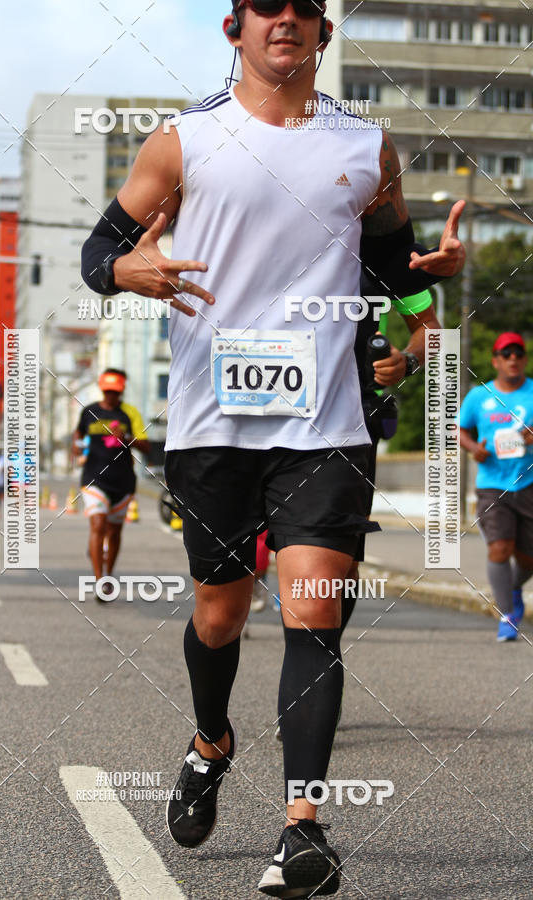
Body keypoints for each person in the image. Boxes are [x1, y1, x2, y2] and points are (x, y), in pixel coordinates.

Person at [81, 2, 464, 894]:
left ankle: (304, 831)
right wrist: (124, 270)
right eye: (266, 6)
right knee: (219, 614)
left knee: (314, 610)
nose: (285, 18)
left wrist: (419, 304)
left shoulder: (368, 148)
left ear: (323, 34)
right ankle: (212, 738)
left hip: (325, 421)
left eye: (302, 7)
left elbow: (386, 266)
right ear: (234, 30)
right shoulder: (182, 142)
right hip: (214, 422)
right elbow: (104, 247)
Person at [340, 279, 442, 634]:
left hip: (350, 418)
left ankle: (321, 649)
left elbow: (430, 327)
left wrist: (408, 360)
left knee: (341, 559)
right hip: (252, 412)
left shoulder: (384, 248)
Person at [459, 332, 533, 642]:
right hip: (492, 486)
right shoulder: (479, 396)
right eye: (506, 354)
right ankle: (507, 614)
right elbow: (460, 431)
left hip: (529, 482)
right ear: (495, 361)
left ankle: (512, 588)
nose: (513, 359)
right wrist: (474, 448)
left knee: (529, 558)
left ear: (525, 359)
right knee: (499, 548)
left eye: (518, 353)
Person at [73, 369, 150, 600]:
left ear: (122, 390)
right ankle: (101, 582)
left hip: (123, 481)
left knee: (114, 531)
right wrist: (75, 447)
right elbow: (77, 434)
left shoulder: (130, 413)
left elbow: (146, 446)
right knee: (98, 525)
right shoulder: (89, 412)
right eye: (107, 391)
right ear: (101, 388)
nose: (111, 396)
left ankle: (109, 571)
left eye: (115, 392)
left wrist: (126, 439)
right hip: (94, 478)